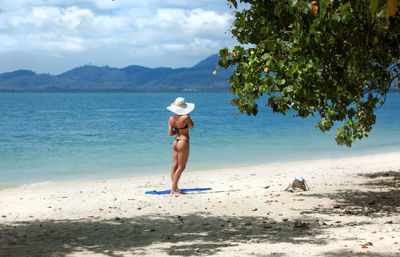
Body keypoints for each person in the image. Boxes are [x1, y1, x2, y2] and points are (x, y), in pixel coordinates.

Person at [167, 97, 195, 195]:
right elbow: (191, 127)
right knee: (181, 167)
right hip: (183, 141)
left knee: (174, 166)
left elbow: (170, 133)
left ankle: (175, 189)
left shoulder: (171, 118)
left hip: (176, 141)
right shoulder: (186, 117)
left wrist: (178, 130)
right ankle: (173, 190)